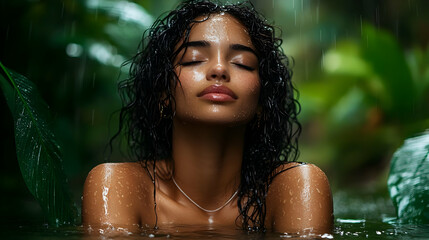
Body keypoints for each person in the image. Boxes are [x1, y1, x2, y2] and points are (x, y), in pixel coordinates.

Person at [82, 0, 333, 235]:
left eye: (242, 63)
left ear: (262, 103)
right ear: (163, 94)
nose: (219, 69)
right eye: (194, 60)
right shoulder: (116, 186)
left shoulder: (296, 186)